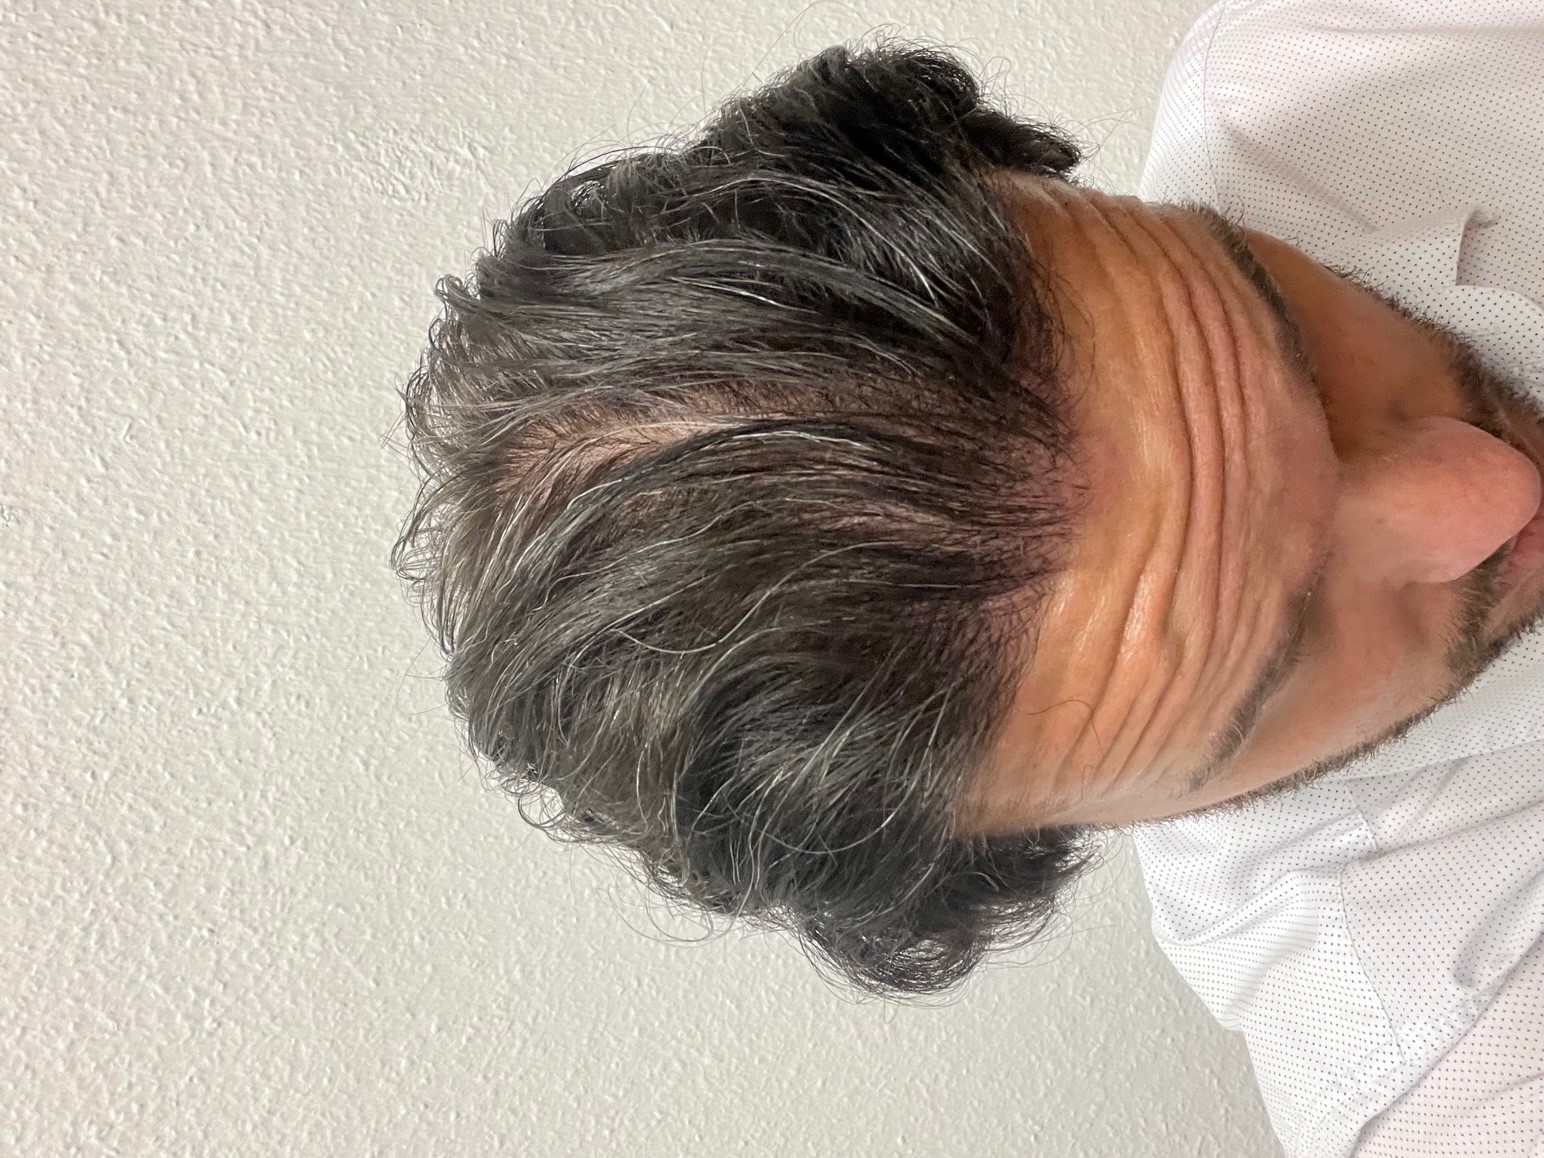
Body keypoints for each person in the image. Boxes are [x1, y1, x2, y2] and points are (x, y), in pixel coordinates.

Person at [391, 4, 1544, 1153]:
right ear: (1067, 824)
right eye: (1289, 646)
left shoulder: (1349, 51)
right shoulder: (1467, 1077)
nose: (1483, 490)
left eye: (1299, 342)